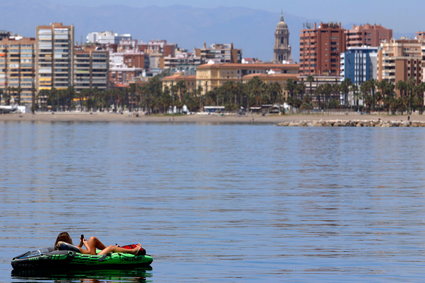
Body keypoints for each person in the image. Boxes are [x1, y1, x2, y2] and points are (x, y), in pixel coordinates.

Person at [54, 232, 144, 256]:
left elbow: (78, 248)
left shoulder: (67, 248)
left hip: (92, 254)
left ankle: (109, 249)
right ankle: (134, 251)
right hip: (92, 256)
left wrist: (82, 243)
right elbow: (89, 252)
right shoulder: (68, 248)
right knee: (93, 239)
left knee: (93, 240)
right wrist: (85, 243)